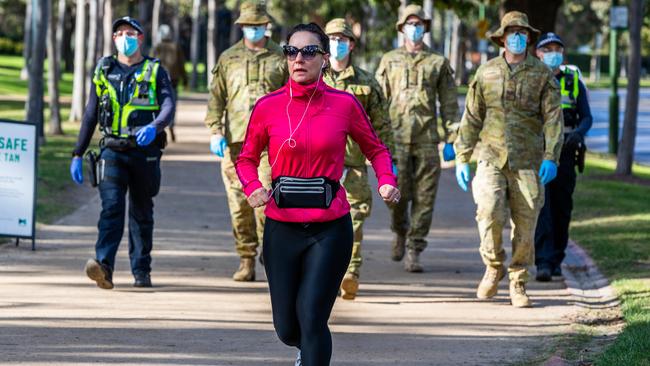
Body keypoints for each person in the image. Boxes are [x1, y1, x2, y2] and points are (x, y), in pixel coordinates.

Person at [236, 23, 399, 366]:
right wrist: (252, 188)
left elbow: (377, 149)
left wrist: (386, 179)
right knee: (286, 327)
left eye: (309, 51)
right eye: (292, 51)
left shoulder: (345, 104)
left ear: (324, 59)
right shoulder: (268, 106)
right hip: (282, 227)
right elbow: (247, 158)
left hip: (330, 227)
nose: (299, 58)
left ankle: (310, 354)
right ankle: (303, 349)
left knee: (312, 318)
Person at [454, 11, 563, 307]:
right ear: (501, 38)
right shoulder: (486, 72)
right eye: (512, 32)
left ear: (528, 37)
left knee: (526, 226)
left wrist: (552, 156)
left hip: (528, 161)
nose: (517, 37)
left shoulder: (541, 75)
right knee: (488, 213)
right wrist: (463, 156)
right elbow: (472, 116)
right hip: (491, 158)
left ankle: (518, 281)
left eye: (523, 33)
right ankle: (493, 266)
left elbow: (554, 120)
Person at [69, 16, 175, 289]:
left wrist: (154, 126)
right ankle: (103, 267)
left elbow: (167, 106)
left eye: (129, 33)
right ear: (114, 38)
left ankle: (142, 271)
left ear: (140, 37)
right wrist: (77, 153)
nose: (124, 38)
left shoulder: (154, 70)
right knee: (111, 208)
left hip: (145, 152)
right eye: (119, 33)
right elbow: (91, 113)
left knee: (141, 212)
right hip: (112, 151)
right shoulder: (104, 69)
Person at [204, 1, 288, 281]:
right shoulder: (228, 58)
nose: (253, 30)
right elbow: (217, 98)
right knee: (238, 204)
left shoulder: (282, 57)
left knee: (265, 201)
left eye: (258, 25)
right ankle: (246, 258)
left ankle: (271, 252)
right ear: (242, 27)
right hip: (236, 144)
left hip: (270, 145)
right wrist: (215, 130)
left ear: (266, 25)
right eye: (248, 26)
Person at [375, 4, 460, 272]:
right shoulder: (389, 60)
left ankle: (415, 249)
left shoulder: (438, 62)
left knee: (425, 200)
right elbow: (379, 101)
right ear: (402, 29)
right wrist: (377, 139)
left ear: (425, 27)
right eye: (410, 24)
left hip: (426, 140)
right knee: (396, 197)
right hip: (396, 140)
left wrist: (451, 138)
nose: (415, 28)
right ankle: (400, 230)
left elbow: (448, 103)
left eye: (419, 23)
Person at [323, 18, 395, 300]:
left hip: (353, 165)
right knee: (317, 219)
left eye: (342, 39)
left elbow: (382, 124)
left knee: (353, 220)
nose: (336, 44)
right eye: (331, 39)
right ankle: (325, 274)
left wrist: (389, 163)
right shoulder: (313, 76)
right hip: (317, 166)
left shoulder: (367, 82)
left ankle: (350, 272)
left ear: (351, 44)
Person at [533, 33, 592, 282]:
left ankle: (556, 258)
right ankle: (543, 261)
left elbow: (587, 116)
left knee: (562, 206)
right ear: (538, 53)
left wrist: (578, 134)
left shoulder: (572, 79)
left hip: (566, 151)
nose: (553, 53)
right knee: (542, 205)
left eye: (557, 49)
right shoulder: (532, 78)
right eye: (548, 49)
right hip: (539, 151)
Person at [153, 24, 188, 142]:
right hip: (173, 82)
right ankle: (171, 125)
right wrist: (185, 80)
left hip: (157, 83)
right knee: (171, 106)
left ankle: (160, 127)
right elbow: (181, 64)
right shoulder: (175, 46)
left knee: (159, 106)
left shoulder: (156, 47)